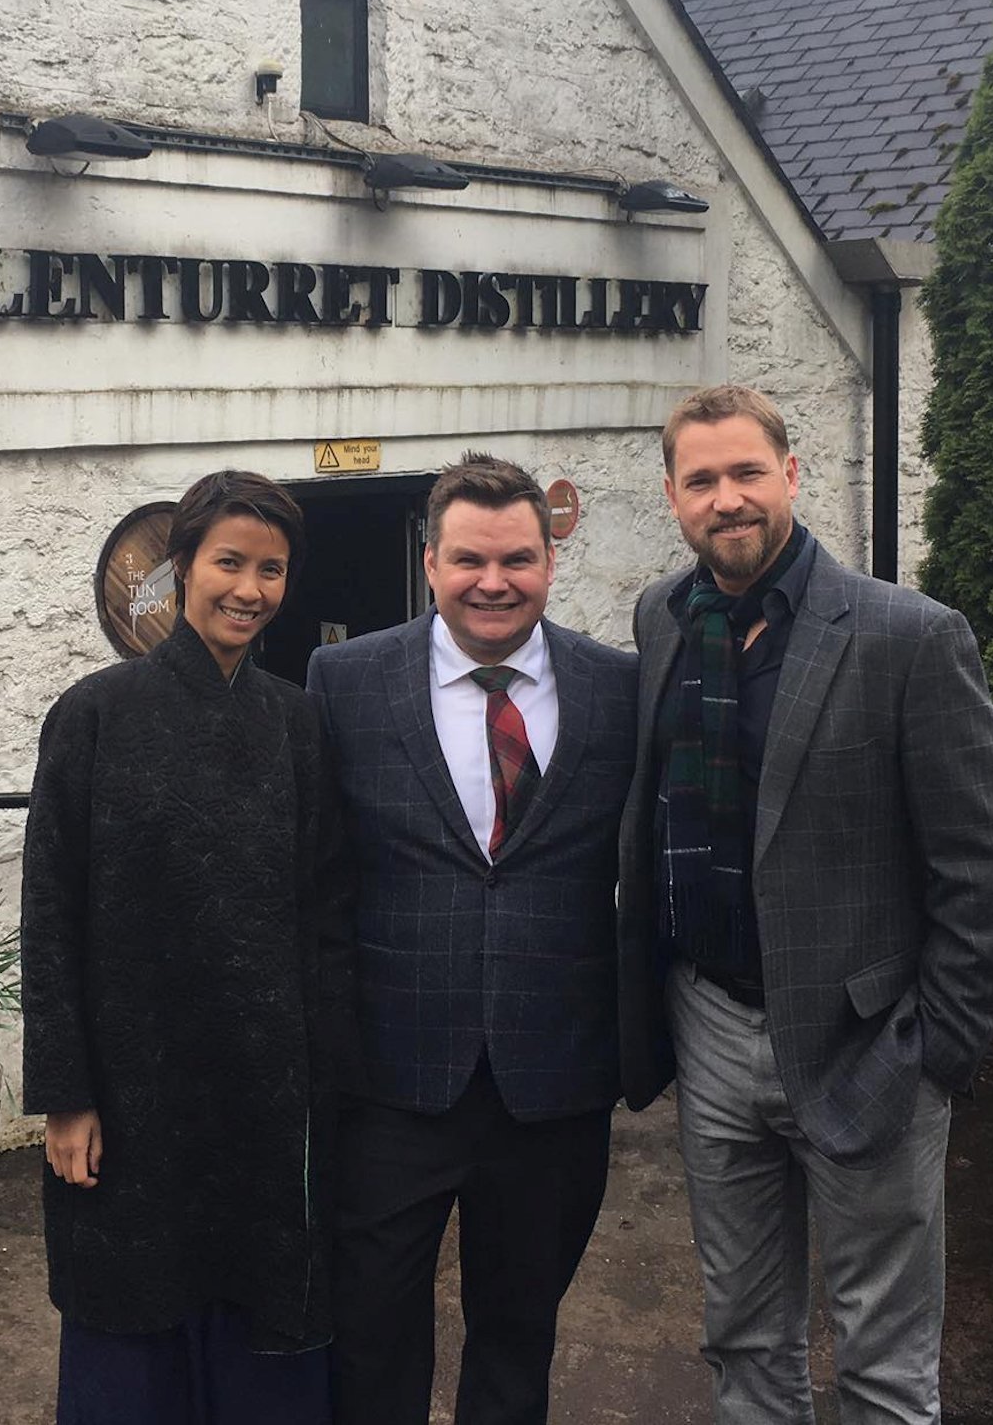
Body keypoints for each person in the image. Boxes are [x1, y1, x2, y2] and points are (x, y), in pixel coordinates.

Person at [615, 385, 993, 1425]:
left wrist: (938, 1052)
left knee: (884, 1361)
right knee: (743, 1340)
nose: (728, 497)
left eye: (747, 471)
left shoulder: (909, 637)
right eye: (702, 479)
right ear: (672, 496)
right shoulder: (662, 618)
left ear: (790, 474)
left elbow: (984, 870)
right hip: (709, 1025)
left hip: (867, 1041)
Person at [307, 453, 639, 1425]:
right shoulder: (345, 678)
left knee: (518, 1335)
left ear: (549, 561)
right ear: (430, 560)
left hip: (555, 1086)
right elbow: (317, 874)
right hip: (391, 1083)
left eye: (517, 558)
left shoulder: (619, 688)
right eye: (469, 559)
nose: (493, 581)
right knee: (371, 1340)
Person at [21, 469, 356, 1425]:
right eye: (229, 563)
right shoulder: (93, 715)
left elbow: (325, 910)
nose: (249, 590)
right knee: (132, 1312)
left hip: (265, 1089)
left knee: (264, 1314)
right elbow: (49, 915)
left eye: (272, 570)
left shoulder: (294, 724)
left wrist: (323, 1080)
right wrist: (65, 1094)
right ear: (181, 568)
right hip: (131, 1092)